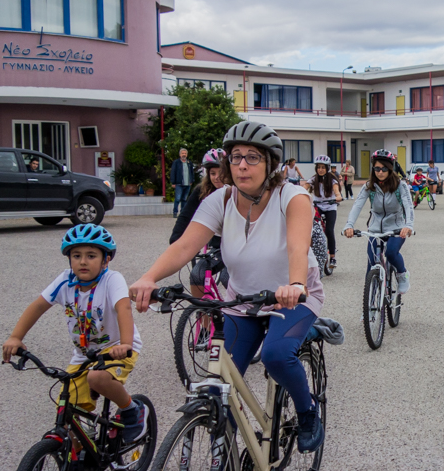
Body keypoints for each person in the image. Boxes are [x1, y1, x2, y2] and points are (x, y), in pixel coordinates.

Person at [129, 120, 325, 453]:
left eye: (252, 157)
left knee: (276, 356)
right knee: (219, 386)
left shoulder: (292, 197)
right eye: (236, 157)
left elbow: (297, 247)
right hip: (242, 301)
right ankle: (224, 470)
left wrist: (294, 284)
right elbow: (184, 246)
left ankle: (307, 413)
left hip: (292, 299)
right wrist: (149, 277)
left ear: (270, 164)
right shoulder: (220, 200)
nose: (242, 165)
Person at [1, 224, 147, 444]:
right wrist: (15, 337)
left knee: (97, 378)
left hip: (116, 346)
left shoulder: (112, 279)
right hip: (84, 353)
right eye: (76, 256)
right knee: (67, 406)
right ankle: (77, 453)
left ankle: (131, 409)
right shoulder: (65, 280)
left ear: (106, 260)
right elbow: (38, 306)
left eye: (91, 256)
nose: (83, 261)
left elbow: (123, 308)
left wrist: (125, 344)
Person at [343, 150, 414, 293]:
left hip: (396, 228)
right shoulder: (369, 186)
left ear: (390, 169)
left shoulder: (400, 186)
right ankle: (370, 303)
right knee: (371, 263)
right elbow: (357, 205)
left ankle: (402, 274)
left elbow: (408, 206)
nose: (380, 172)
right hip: (375, 229)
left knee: (391, 253)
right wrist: (349, 225)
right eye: (377, 168)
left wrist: (408, 225)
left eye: (384, 169)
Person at [171, 149, 231, 297]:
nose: (217, 177)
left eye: (221, 173)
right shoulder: (202, 190)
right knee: (196, 275)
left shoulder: (237, 191)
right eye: (212, 173)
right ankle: (202, 310)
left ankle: (239, 310)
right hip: (218, 246)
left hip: (238, 247)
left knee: (227, 277)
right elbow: (186, 215)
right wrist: (176, 240)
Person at [309, 155, 342, 272]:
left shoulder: (332, 180)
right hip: (318, 207)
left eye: (323, 167)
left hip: (330, 207)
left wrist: (338, 197)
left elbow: (337, 191)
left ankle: (332, 257)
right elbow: (305, 187)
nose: (320, 170)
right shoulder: (314, 179)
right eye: (318, 167)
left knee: (329, 230)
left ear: (327, 168)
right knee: (313, 230)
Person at [170, 148, 197, 217]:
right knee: (177, 199)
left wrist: (191, 180)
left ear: (187, 155)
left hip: (187, 184)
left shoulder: (189, 163)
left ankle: (182, 213)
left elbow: (192, 172)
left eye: (185, 153)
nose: (184, 155)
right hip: (179, 183)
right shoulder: (176, 162)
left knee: (184, 199)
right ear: (180, 154)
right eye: (182, 153)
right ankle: (175, 212)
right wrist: (173, 182)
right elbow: (173, 172)